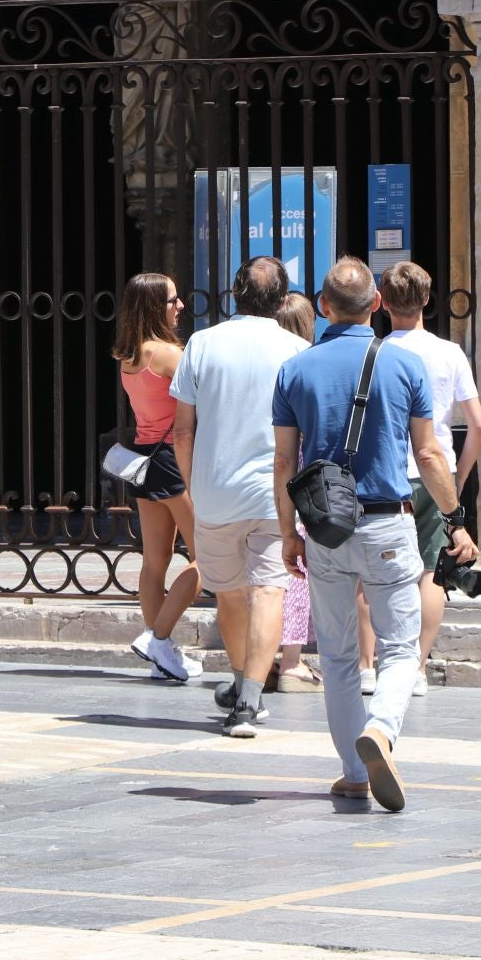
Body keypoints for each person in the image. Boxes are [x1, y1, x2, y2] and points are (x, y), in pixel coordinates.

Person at [272, 258, 474, 811]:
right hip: (388, 518)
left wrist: (289, 533)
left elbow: (285, 459)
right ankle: (382, 730)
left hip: (324, 526)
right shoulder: (404, 365)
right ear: (377, 305)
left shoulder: (296, 370)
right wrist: (455, 518)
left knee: (336, 656)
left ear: (323, 306)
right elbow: (430, 452)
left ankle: (352, 772)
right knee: (399, 645)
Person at [172, 257, 307, 737]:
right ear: (282, 297)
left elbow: (182, 431)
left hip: (216, 491)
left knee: (229, 593)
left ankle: (239, 682)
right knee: (271, 590)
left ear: (234, 293)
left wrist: (193, 485)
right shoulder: (297, 349)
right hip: (276, 496)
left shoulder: (203, 344)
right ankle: (248, 700)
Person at [380, 262, 481, 697]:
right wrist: (457, 480)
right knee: (432, 572)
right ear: (427, 299)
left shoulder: (377, 352)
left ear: (382, 304)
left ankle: (373, 664)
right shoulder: (450, 352)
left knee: (380, 574)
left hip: (388, 472)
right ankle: (417, 667)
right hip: (434, 471)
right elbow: (478, 426)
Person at [113, 272, 202, 682]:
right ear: (154, 307)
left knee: (155, 561)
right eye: (172, 300)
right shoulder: (168, 354)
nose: (180, 305)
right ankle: (158, 639)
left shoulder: (129, 356)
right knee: (209, 560)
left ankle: (160, 653)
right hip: (173, 459)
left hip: (144, 459)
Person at [270, 292, 321, 693]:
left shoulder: (265, 364)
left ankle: (258, 657)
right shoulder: (307, 366)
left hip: (257, 475)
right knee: (296, 573)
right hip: (300, 478)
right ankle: (291, 660)